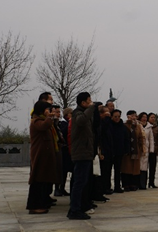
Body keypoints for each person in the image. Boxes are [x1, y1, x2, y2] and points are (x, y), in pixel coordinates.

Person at [68, 92, 95, 220]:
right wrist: (91, 108)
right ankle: (74, 210)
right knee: (79, 183)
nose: (91, 102)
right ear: (83, 103)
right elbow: (81, 121)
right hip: (81, 153)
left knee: (82, 182)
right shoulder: (77, 113)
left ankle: (77, 208)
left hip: (86, 152)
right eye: (89, 101)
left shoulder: (84, 113)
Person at [27, 100, 57, 214]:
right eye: (47, 109)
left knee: (44, 180)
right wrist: (49, 117)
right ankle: (34, 206)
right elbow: (44, 126)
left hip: (45, 155)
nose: (49, 111)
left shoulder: (43, 120)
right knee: (37, 181)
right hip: (39, 155)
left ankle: (42, 203)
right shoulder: (36, 121)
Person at [121, 110, 145, 191]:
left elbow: (141, 137)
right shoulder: (125, 125)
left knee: (135, 168)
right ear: (128, 116)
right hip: (127, 150)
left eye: (135, 116)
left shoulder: (138, 126)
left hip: (136, 150)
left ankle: (134, 184)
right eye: (132, 116)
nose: (134, 117)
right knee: (126, 167)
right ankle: (126, 184)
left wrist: (141, 148)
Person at [109, 109, 128, 193]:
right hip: (110, 151)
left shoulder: (123, 127)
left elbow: (126, 139)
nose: (117, 118)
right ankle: (107, 186)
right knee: (108, 170)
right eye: (115, 116)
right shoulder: (109, 125)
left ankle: (117, 186)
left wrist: (126, 149)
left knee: (118, 170)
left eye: (118, 116)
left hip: (119, 151)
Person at [97, 105, 114, 194]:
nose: (108, 114)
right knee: (103, 170)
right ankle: (102, 188)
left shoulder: (109, 123)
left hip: (109, 149)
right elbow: (103, 130)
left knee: (108, 170)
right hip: (103, 149)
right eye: (106, 112)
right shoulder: (100, 123)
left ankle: (107, 186)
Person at [56, 107, 73, 196]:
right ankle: (58, 188)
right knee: (62, 170)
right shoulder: (63, 123)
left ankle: (62, 188)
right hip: (63, 149)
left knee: (65, 170)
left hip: (67, 150)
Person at [139, 112, 158, 189]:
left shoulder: (149, 127)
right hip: (139, 148)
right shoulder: (138, 126)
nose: (144, 119)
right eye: (143, 117)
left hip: (146, 149)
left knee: (144, 167)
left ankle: (144, 184)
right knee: (139, 166)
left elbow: (151, 139)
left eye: (145, 117)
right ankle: (138, 184)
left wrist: (151, 150)